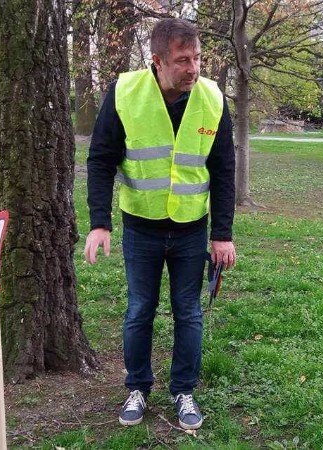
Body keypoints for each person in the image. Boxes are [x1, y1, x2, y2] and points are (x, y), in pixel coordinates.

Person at [83, 18, 236, 430]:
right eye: (183, 60)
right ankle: (137, 387)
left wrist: (222, 234)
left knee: (189, 313)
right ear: (158, 60)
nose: (193, 68)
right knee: (139, 311)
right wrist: (100, 223)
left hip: (191, 228)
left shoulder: (213, 98)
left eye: (198, 57)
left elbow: (224, 169)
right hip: (141, 228)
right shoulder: (124, 92)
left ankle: (184, 391)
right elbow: (100, 160)